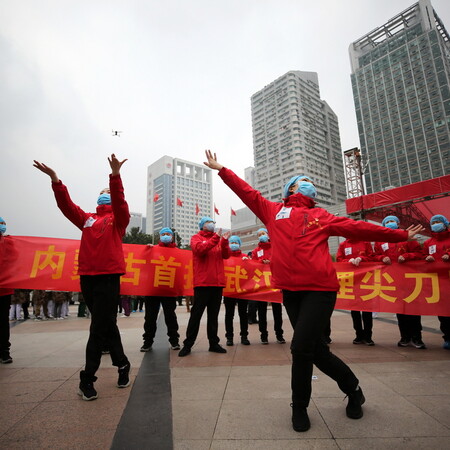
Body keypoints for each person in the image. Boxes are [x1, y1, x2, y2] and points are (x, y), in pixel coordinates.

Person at [203, 149, 424, 432]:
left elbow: (358, 228)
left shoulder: (321, 215)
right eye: (302, 180)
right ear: (291, 188)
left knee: (300, 349)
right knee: (316, 351)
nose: (308, 183)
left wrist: (399, 235)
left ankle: (299, 408)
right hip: (291, 292)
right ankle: (354, 389)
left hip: (320, 290)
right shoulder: (273, 211)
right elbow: (246, 192)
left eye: (310, 181)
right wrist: (221, 169)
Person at [33, 154, 131, 401]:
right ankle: (122, 364)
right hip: (87, 277)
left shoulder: (118, 220)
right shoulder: (87, 219)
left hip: (109, 277)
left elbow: (120, 203)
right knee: (106, 323)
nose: (105, 193)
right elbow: (66, 206)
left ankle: (87, 378)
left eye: (107, 191)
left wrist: (115, 177)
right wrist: (56, 180)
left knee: (97, 327)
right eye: (103, 191)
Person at [178, 217, 231, 356]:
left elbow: (226, 255)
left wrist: (224, 241)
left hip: (217, 283)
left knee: (213, 316)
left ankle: (213, 343)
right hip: (202, 283)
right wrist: (216, 238)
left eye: (213, 223)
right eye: (209, 223)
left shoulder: (218, 240)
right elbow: (200, 250)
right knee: (196, 315)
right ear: (202, 226)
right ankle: (188, 344)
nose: (212, 225)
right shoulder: (196, 238)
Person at [373, 216, 425, 349]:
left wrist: (407, 256)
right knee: (400, 310)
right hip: (393, 280)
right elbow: (374, 256)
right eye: (387, 222)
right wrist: (382, 257)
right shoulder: (380, 240)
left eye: (393, 221)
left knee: (413, 309)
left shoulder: (407, 236)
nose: (390, 224)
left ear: (397, 223)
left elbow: (420, 253)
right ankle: (405, 337)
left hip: (410, 279)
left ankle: (417, 338)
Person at [141, 227, 180, 351]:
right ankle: (147, 341)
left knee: (170, 316)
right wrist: (146, 251)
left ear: (172, 237)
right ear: (160, 237)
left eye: (168, 234)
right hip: (153, 288)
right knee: (150, 317)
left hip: (169, 288)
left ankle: (174, 340)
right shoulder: (153, 249)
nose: (166, 236)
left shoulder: (177, 252)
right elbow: (143, 263)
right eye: (164, 234)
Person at [336, 238, 375, 345]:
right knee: (354, 310)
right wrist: (348, 261)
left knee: (367, 310)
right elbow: (339, 259)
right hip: (352, 281)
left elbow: (372, 257)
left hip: (366, 280)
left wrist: (361, 258)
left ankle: (368, 336)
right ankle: (358, 335)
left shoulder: (365, 242)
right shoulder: (343, 244)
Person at [251, 228, 285, 344]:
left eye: (263, 233)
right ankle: (263, 335)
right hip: (262, 285)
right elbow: (253, 265)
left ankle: (279, 334)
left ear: (268, 234)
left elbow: (280, 260)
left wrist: (270, 261)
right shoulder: (256, 251)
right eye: (259, 234)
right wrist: (261, 262)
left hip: (275, 283)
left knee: (277, 310)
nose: (262, 236)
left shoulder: (275, 248)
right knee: (261, 311)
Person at [422, 214, 450, 350]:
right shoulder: (429, 243)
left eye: (438, 222)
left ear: (445, 224)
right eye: (434, 222)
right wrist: (427, 257)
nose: (436, 224)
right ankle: (447, 337)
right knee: (443, 313)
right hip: (438, 283)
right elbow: (421, 256)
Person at [223, 235, 250, 346]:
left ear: (239, 244)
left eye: (236, 242)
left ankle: (244, 336)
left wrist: (248, 262)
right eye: (231, 242)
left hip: (242, 290)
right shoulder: (225, 257)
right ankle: (229, 337)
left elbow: (251, 273)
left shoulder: (244, 257)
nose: (233, 244)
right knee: (229, 315)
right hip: (229, 290)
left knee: (243, 314)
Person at [0, 217, 14, 364]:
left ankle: (4, 351)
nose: (2, 227)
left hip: (4, 289)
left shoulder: (9, 242)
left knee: (3, 321)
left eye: (3, 224)